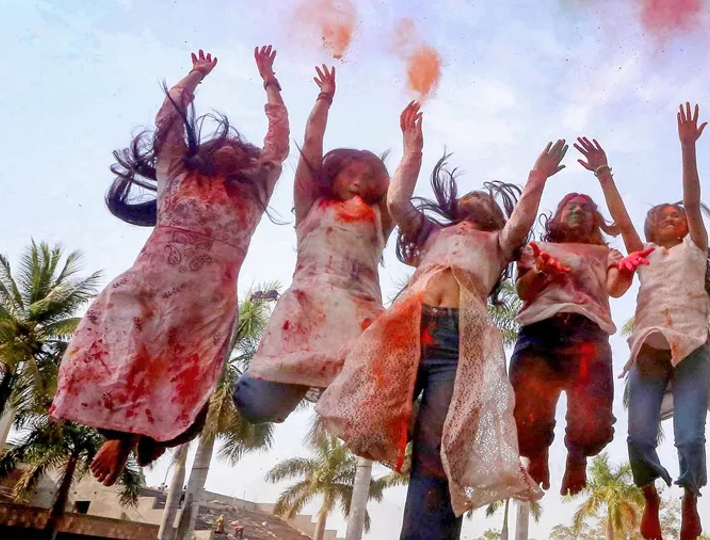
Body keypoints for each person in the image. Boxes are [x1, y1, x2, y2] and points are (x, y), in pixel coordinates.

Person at [317, 102, 560, 540]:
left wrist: (537, 178)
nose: (480, 196)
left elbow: (521, 221)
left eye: (489, 200)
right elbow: (396, 201)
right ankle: (400, 427)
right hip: (407, 330)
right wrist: (413, 149)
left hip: (458, 343)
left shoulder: (498, 242)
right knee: (374, 409)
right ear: (455, 209)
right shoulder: (433, 233)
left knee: (439, 446)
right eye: (473, 195)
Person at [51, 47, 288, 485]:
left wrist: (269, 81)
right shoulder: (176, 175)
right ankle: (117, 435)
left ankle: (137, 441)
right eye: (226, 144)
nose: (234, 148)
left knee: (184, 380)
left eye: (242, 147)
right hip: (148, 286)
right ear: (207, 152)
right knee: (121, 360)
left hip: (205, 301)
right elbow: (167, 125)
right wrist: (193, 77)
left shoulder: (255, 190)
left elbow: (277, 146)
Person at [581, 103, 710, 540]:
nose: (673, 216)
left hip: (691, 348)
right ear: (652, 229)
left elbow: (691, 197)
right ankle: (650, 494)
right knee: (638, 437)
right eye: (662, 216)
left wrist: (687, 148)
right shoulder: (643, 255)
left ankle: (689, 498)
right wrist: (604, 173)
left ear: (688, 226)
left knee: (689, 438)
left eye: (678, 215)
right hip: (648, 351)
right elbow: (625, 220)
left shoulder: (696, 248)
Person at [234, 64, 393, 423]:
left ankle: (332, 385)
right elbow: (310, 144)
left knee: (371, 412)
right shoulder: (311, 208)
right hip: (304, 316)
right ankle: (300, 378)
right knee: (256, 405)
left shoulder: (380, 218)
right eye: (349, 173)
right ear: (331, 176)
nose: (357, 181)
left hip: (359, 320)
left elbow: (400, 190)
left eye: (366, 177)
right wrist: (325, 99)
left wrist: (413, 144)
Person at [510, 191, 646, 496]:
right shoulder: (538, 248)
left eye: (586, 208)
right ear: (557, 215)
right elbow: (523, 290)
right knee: (524, 414)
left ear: (595, 220)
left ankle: (577, 455)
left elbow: (615, 288)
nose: (578, 210)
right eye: (569, 205)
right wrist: (541, 270)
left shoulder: (604, 253)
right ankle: (537, 453)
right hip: (540, 331)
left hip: (588, 333)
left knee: (594, 421)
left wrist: (625, 270)